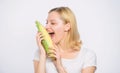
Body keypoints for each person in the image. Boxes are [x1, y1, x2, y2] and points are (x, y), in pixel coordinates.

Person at [33, 6, 97, 73]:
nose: (46, 27)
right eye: (46, 23)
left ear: (67, 27)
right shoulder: (40, 53)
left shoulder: (87, 56)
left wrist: (59, 66)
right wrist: (43, 55)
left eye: (53, 23)